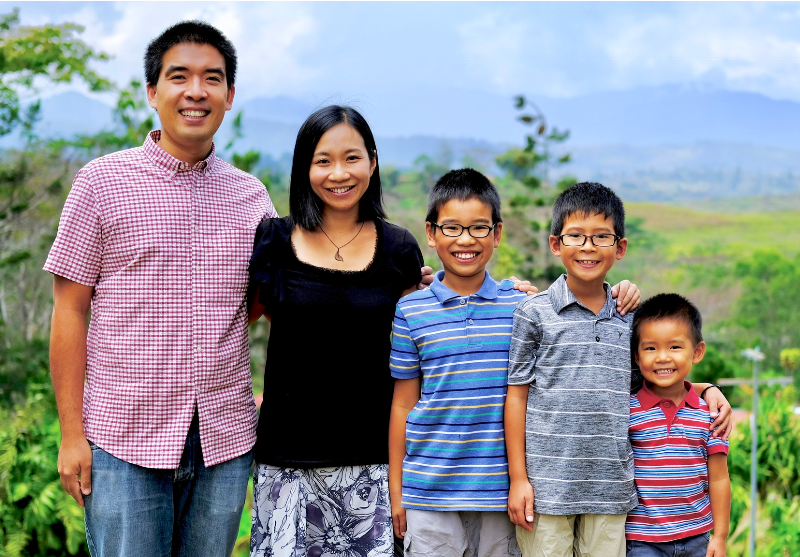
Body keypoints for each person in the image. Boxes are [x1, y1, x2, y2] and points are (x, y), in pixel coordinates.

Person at [45, 21, 277, 557]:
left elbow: (272, 301)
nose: (196, 91)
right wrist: (72, 434)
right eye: (180, 77)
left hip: (225, 438)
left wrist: (404, 283)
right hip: (122, 439)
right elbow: (70, 310)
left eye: (211, 79)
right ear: (153, 92)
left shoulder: (250, 196)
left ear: (229, 95)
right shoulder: (101, 184)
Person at [387, 171, 642, 557]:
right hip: (429, 488)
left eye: (479, 228)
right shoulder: (411, 310)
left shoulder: (520, 305)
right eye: (452, 228)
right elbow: (403, 405)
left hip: (499, 490)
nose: (466, 239)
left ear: (497, 234)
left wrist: (705, 390)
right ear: (431, 233)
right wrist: (397, 490)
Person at [504, 182, 732, 557]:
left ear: (620, 247)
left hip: (611, 490)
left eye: (601, 237)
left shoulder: (629, 320)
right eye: (575, 235)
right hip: (546, 488)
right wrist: (519, 479)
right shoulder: (534, 313)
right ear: (555, 244)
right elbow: (517, 396)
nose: (588, 246)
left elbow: (656, 378)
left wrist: (704, 388)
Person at [247, 105, 426, 557]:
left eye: (352, 158)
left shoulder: (399, 248)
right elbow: (237, 323)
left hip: (373, 459)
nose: (338, 173)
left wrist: (514, 293)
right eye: (322, 160)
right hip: (286, 457)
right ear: (304, 167)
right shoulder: (273, 241)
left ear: (373, 162)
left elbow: (423, 333)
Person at [626, 294, 730, 557]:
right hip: (641, 541)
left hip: (697, 538)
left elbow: (719, 478)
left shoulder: (710, 414)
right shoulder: (627, 411)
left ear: (697, 352)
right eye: (650, 348)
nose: (662, 357)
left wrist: (719, 537)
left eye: (674, 347)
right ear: (636, 357)